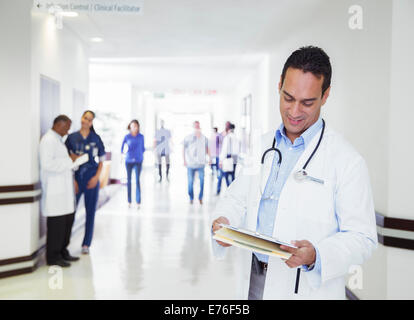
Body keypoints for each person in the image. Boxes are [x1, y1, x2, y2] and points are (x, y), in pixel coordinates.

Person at [211, 46, 377, 300]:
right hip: (253, 278)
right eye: (288, 98)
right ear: (279, 85)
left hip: (305, 289)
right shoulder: (262, 145)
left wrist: (318, 255)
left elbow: (363, 238)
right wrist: (224, 221)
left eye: (307, 102)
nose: (295, 111)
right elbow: (237, 198)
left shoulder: (347, 161)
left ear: (325, 95)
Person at [39, 115, 80, 267]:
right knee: (57, 227)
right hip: (55, 192)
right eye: (66, 127)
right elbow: (47, 164)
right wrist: (70, 160)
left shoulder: (57, 140)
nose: (68, 131)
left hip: (64, 191)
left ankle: (63, 251)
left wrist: (72, 161)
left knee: (66, 224)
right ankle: (53, 257)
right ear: (58, 125)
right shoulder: (48, 140)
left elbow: (64, 162)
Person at [65, 110, 106, 255]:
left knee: (90, 213)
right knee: (70, 212)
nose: (86, 121)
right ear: (81, 118)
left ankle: (86, 244)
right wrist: (73, 181)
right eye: (85, 118)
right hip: (76, 178)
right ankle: (65, 243)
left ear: (92, 122)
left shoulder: (96, 138)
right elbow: (66, 159)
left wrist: (96, 178)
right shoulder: (71, 138)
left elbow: (102, 160)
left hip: (91, 178)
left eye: (89, 120)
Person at [183, 121, 209, 205]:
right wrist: (184, 160)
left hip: (201, 163)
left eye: (198, 126)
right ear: (193, 127)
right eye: (196, 127)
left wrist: (210, 159)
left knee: (202, 181)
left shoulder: (204, 138)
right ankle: (191, 197)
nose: (197, 128)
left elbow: (207, 149)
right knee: (190, 182)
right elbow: (183, 149)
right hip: (190, 164)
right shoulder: (188, 138)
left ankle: (200, 198)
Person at [121, 119, 145, 209]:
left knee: (137, 180)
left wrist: (138, 155)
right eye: (132, 126)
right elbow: (122, 148)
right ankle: (129, 201)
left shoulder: (141, 136)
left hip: (138, 161)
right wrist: (125, 153)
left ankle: (138, 201)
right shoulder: (127, 137)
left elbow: (143, 148)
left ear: (138, 127)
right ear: (130, 127)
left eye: (135, 126)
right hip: (128, 161)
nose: (134, 127)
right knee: (129, 181)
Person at [216, 121, 231, 195]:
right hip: (222, 158)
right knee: (221, 176)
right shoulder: (221, 135)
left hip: (226, 159)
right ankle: (219, 190)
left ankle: (229, 190)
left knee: (226, 176)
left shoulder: (229, 137)